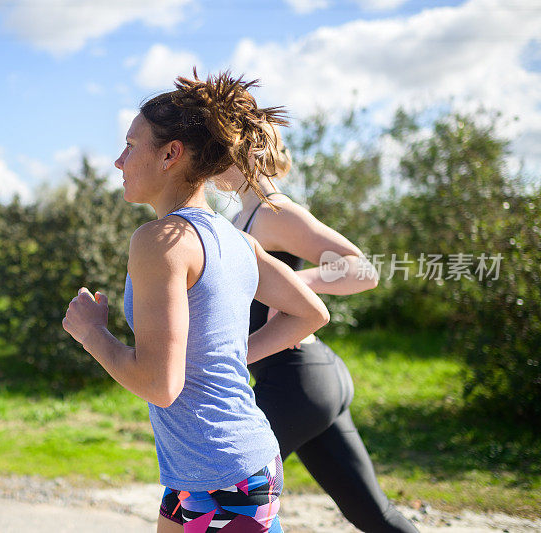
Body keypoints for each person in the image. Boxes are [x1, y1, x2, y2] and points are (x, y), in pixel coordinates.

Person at [61, 71, 330, 532]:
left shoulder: (160, 240)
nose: (118, 160)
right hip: (213, 464)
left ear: (170, 154)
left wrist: (92, 333)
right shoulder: (236, 241)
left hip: (222, 475)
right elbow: (311, 312)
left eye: (130, 145)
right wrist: (231, 358)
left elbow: (159, 385)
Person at [212, 124, 419, 533]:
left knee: (222, 496)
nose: (210, 160)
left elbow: (362, 270)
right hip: (306, 381)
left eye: (218, 150)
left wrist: (296, 288)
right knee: (373, 515)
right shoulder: (241, 216)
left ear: (248, 154)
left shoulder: (276, 212)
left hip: (297, 378)